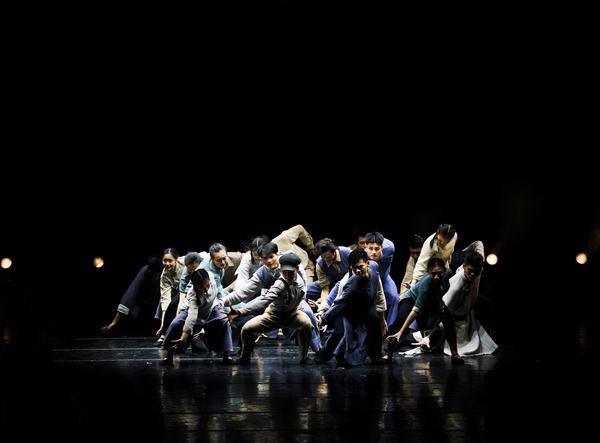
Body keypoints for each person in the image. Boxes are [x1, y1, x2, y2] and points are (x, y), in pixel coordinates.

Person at [227, 253, 313, 365]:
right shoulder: (279, 285)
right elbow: (264, 301)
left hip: (293, 313)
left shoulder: (300, 281)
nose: (287, 276)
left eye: (290, 272)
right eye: (284, 272)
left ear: (297, 269)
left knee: (307, 325)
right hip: (274, 315)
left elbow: (301, 295)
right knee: (247, 329)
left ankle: (304, 358)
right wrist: (240, 312)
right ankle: (244, 358)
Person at [386, 258, 464, 365]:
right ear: (428, 273)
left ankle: (455, 354)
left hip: (432, 301)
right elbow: (415, 311)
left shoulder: (448, 273)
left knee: (448, 318)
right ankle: (388, 353)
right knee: (400, 319)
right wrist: (400, 332)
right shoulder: (425, 285)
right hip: (411, 299)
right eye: (433, 274)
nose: (436, 277)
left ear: (444, 271)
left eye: (439, 274)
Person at [320, 248, 387, 367]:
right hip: (349, 309)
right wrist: (324, 318)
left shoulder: (374, 270)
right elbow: (339, 302)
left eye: (360, 267)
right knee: (342, 334)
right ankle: (324, 355)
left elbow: (379, 294)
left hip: (368, 306)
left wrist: (382, 319)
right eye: (354, 268)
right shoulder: (351, 284)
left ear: (367, 263)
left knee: (375, 326)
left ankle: (376, 356)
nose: (357, 270)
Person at [166, 268, 234, 365]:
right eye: (201, 287)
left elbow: (219, 295)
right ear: (195, 286)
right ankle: (169, 354)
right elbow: (192, 318)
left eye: (207, 285)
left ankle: (227, 355)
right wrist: (183, 339)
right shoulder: (193, 295)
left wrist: (226, 311)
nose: (205, 289)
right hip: (190, 310)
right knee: (175, 323)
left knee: (224, 321)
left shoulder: (211, 276)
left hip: (211, 307)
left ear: (209, 280)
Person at [441, 241, 497, 356]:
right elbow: (444, 309)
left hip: (469, 303)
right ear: (464, 266)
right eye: (470, 271)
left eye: (476, 272)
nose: (472, 275)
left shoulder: (478, 267)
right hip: (452, 313)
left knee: (488, 304)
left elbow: (479, 244)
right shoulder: (457, 285)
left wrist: (467, 249)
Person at [99, 255, 162, 335]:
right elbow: (130, 295)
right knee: (133, 315)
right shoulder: (144, 272)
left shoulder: (164, 272)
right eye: (153, 274)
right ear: (149, 270)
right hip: (140, 302)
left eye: (157, 274)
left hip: (156, 301)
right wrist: (114, 322)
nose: (156, 277)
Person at [306, 238, 352, 302]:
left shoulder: (348, 253)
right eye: (323, 257)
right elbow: (325, 288)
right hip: (331, 284)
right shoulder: (320, 264)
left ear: (334, 252)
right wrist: (323, 303)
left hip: (349, 282)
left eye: (328, 257)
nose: (326, 260)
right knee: (307, 289)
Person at [155, 248, 185, 346]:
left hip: (192, 288)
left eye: (170, 260)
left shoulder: (184, 262)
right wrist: (162, 325)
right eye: (165, 260)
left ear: (176, 259)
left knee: (175, 304)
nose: (167, 263)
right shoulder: (164, 275)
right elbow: (165, 300)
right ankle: (164, 333)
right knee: (167, 304)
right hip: (179, 292)